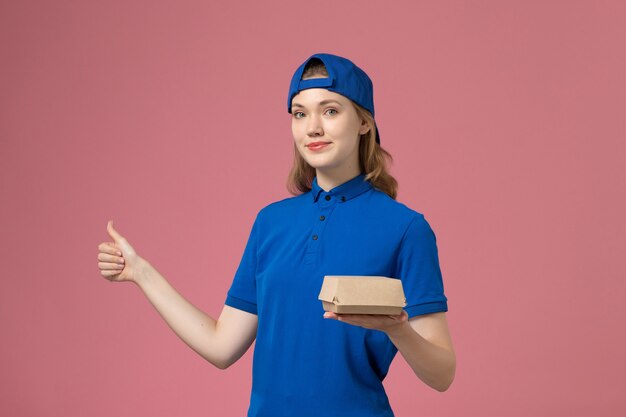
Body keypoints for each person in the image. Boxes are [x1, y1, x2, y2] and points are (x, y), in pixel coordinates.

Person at [97, 52, 456, 417]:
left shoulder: (406, 228)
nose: (312, 127)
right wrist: (141, 273)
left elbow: (442, 374)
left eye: (330, 111)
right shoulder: (271, 223)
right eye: (300, 114)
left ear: (364, 122)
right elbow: (222, 346)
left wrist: (398, 330)